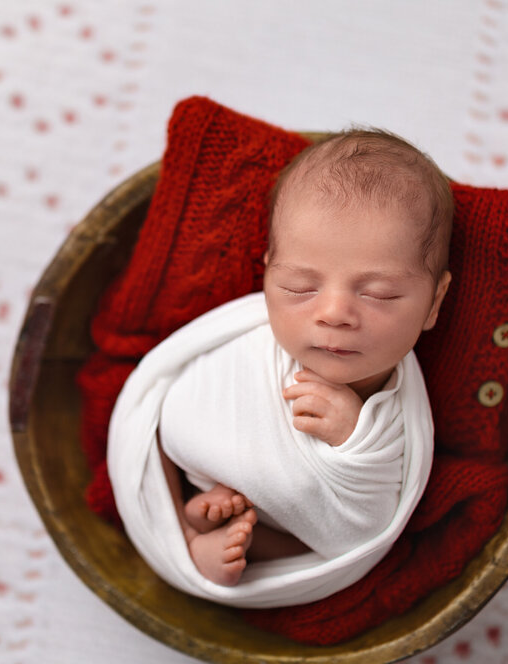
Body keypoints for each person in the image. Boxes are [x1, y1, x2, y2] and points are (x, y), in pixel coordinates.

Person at [157, 128, 453, 587]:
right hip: (201, 467)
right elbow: (166, 393)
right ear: (268, 271)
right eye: (299, 287)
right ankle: (186, 516)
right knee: (170, 430)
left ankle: (221, 536)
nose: (334, 313)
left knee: (322, 546)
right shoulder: (246, 342)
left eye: (379, 294)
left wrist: (355, 438)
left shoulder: (396, 408)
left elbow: (370, 528)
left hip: (295, 531)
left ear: (434, 302)